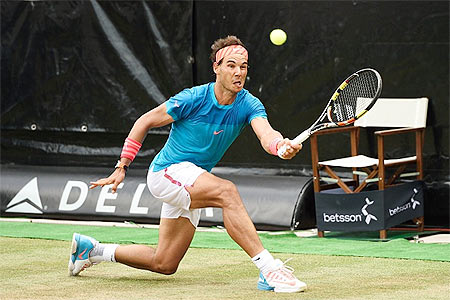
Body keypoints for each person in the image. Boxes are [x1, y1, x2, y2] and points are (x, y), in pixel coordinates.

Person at [68, 35, 306, 293]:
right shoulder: (193, 98)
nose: (239, 73)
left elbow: (266, 134)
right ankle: (270, 269)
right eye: (231, 65)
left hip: (193, 179)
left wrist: (280, 146)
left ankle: (91, 250)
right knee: (227, 192)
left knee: (165, 262)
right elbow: (145, 121)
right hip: (166, 173)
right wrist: (121, 166)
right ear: (216, 67)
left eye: (244, 66)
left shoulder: (248, 103)